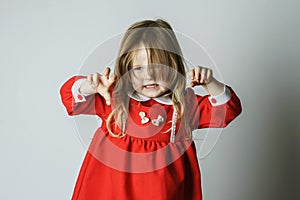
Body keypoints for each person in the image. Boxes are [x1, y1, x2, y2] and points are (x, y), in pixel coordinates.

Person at [60, 19, 242, 200]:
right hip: (110, 191)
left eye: (158, 66)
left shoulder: (184, 106)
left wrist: (211, 83)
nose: (149, 75)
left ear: (173, 66)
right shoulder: (114, 98)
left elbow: (228, 109)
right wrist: (90, 85)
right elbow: (70, 96)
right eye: (138, 68)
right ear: (126, 69)